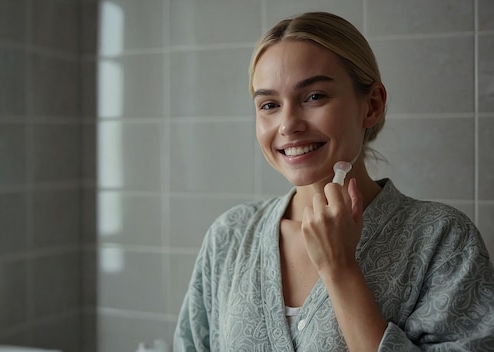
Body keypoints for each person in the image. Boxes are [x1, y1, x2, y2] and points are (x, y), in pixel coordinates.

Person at [173, 11, 494, 352]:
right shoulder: (230, 236)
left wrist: (339, 269)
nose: (288, 125)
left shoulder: (443, 241)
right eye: (269, 104)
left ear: (371, 105)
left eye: (314, 97)